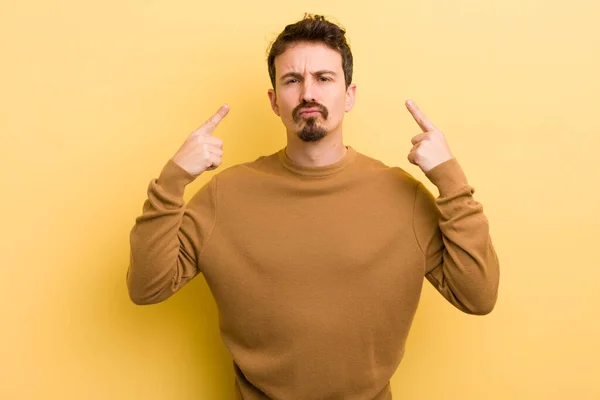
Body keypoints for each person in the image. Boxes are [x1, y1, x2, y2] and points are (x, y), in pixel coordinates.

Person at [127, 13, 500, 400]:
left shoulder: (402, 196)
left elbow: (478, 295)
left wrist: (449, 178)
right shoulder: (226, 194)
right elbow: (146, 287)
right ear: (274, 101)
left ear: (349, 94)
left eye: (323, 78)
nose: (308, 93)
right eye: (292, 80)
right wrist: (174, 178)